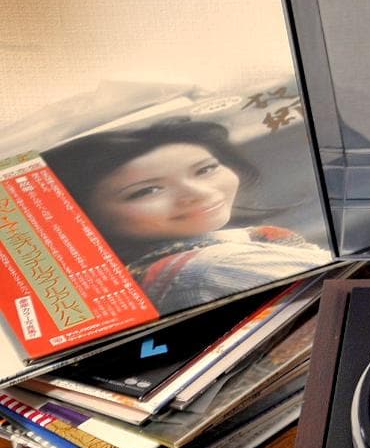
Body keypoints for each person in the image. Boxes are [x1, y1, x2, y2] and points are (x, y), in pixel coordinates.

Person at [41, 118, 333, 315]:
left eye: (205, 169)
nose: (198, 193)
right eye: (147, 191)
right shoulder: (210, 267)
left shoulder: (216, 250)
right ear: (83, 216)